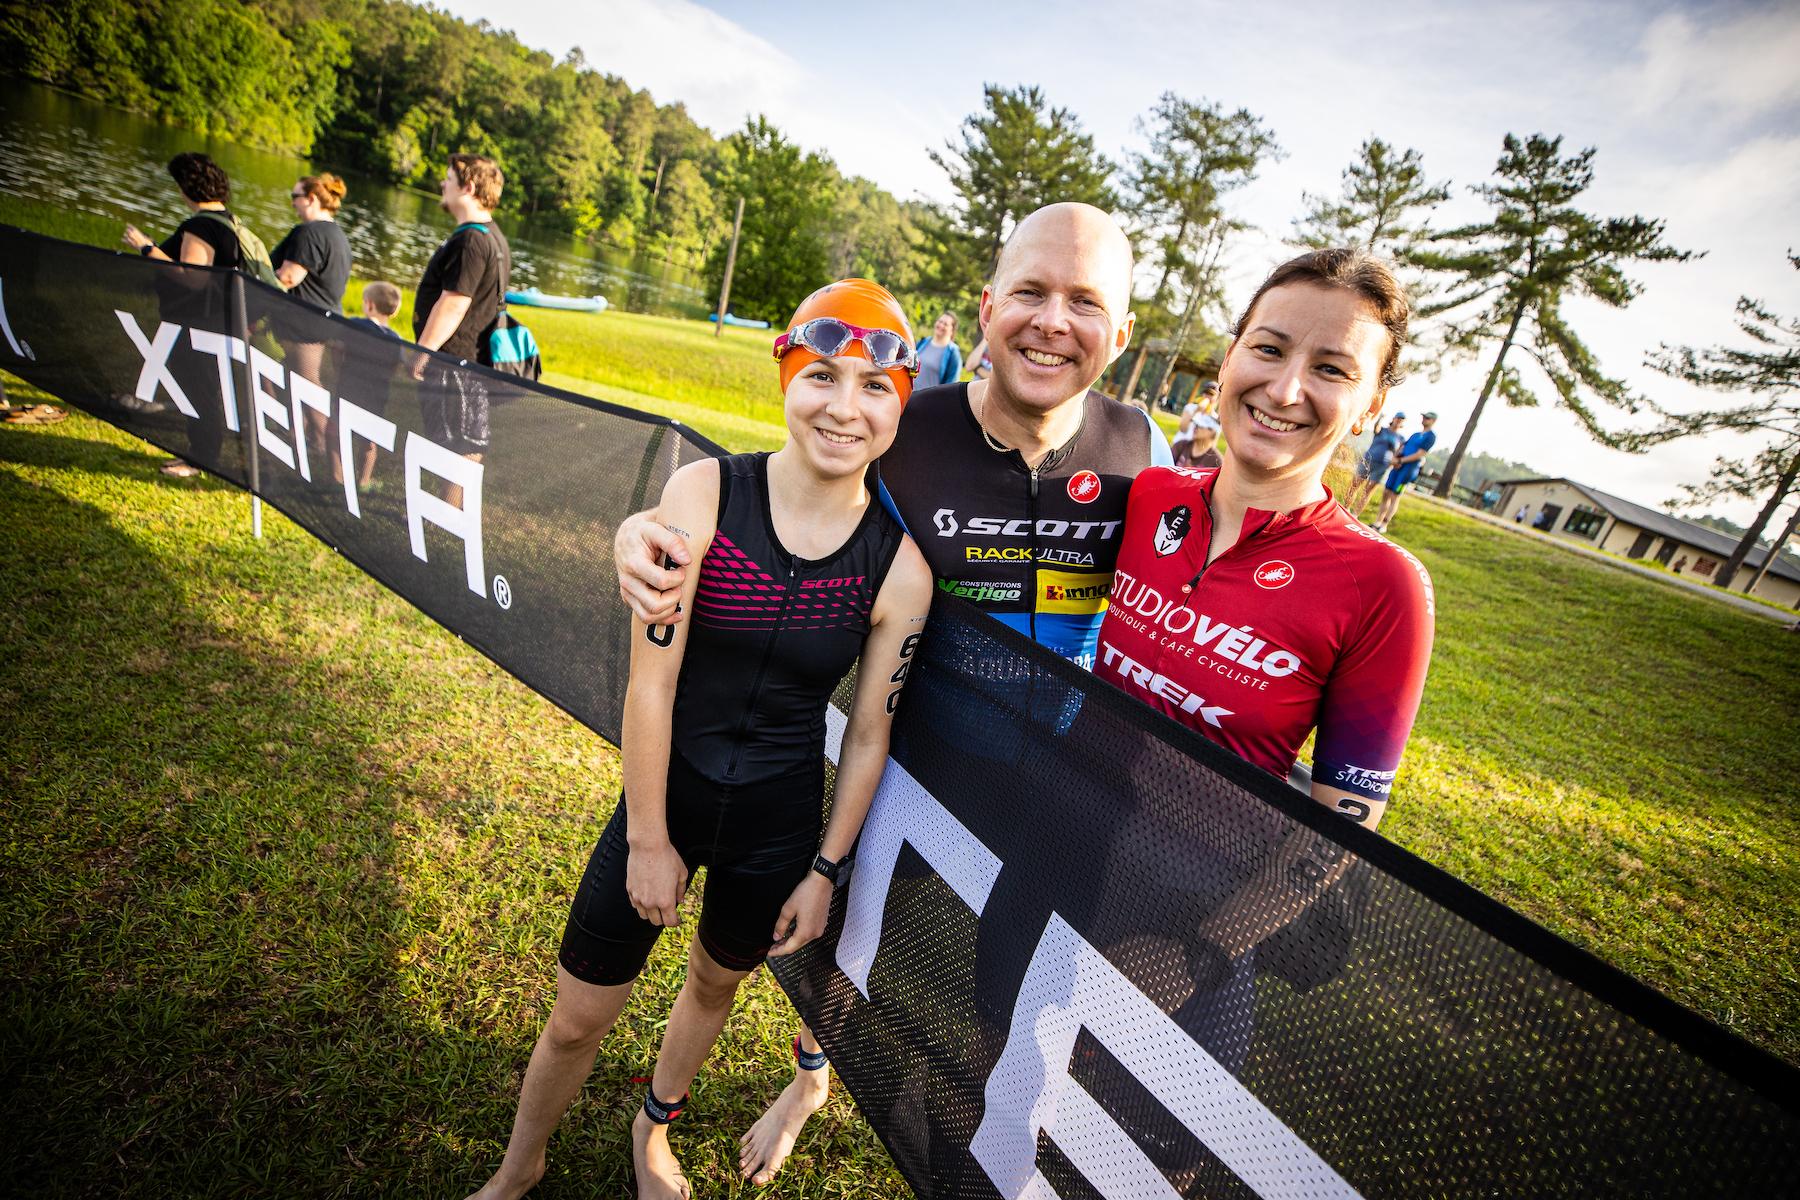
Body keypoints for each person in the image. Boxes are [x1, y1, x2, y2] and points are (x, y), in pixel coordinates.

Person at [611, 201, 1169, 1184]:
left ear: (1120, 333)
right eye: (1031, 292)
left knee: (1010, 984)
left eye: (1085, 302)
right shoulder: (907, 429)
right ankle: (810, 1079)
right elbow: (780, 494)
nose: (1052, 321)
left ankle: (977, 1139)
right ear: (988, 307)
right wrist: (639, 532)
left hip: (1056, 780)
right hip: (914, 755)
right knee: (841, 937)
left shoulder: (1145, 451)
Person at [468, 279, 934, 1200]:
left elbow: (868, 735)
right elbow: (652, 682)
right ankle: (521, 1164)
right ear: (785, 376)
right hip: (667, 798)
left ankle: (653, 1129)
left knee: (714, 989)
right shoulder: (707, 492)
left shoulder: (899, 566)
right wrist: (649, 838)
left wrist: (825, 870)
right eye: (823, 376)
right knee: (576, 1018)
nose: (844, 408)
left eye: (875, 387)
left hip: (776, 823)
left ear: (899, 404)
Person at [1094, 247, 1434, 1103]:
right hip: (1061, 851)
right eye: (1270, 349)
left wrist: (1198, 954)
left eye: (1331, 369)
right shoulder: (1148, 496)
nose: (1285, 390)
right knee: (976, 1083)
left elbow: (1344, 823)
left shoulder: (1382, 583)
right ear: (1231, 356)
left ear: (1370, 407)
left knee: (1146, 1156)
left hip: (1197, 921)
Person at [120, 152, 250, 478]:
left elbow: (193, 277)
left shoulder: (201, 226)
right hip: (218, 320)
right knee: (204, 389)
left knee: (199, 390)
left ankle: (201, 459)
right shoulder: (230, 222)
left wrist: (146, 247)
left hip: (198, 323)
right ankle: (202, 454)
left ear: (187, 188)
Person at [411, 153, 511, 511]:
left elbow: (454, 303)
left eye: (448, 179)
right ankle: (450, 518)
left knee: (457, 446)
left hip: (453, 364)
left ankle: (449, 519)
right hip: (467, 365)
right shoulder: (492, 237)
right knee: (461, 443)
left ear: (468, 187)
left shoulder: (471, 240)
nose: (442, 184)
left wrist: (423, 351)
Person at [272, 172, 353, 479]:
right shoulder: (337, 234)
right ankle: (304, 441)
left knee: (308, 385)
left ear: (311, 199)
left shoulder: (309, 233)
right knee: (301, 382)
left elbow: (289, 277)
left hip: (304, 325)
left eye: (295, 196)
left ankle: (333, 463)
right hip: (326, 320)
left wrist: (258, 283)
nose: (292, 202)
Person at [338, 282, 406, 490]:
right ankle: (364, 480)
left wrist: (340, 366)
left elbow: (338, 348)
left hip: (349, 385)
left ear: (369, 305)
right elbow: (396, 367)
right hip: (377, 393)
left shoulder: (354, 325)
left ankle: (338, 476)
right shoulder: (396, 339)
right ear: (394, 311)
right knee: (369, 439)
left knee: (339, 429)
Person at [1372, 410, 1437, 532]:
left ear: (1433, 421)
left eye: (1427, 418)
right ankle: (1377, 522)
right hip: (1397, 466)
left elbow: (1420, 454)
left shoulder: (1431, 436)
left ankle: (1384, 525)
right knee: (1386, 492)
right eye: (1424, 417)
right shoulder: (1415, 434)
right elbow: (1403, 446)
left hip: (1408, 470)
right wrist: (1395, 458)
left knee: (1395, 495)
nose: (1424, 419)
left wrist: (1401, 461)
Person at [1345, 411, 1406, 516]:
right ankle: (1346, 508)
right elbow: (1376, 428)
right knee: (1354, 485)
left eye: (1402, 420)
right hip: (1368, 460)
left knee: (1368, 491)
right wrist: (1380, 418)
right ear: (1394, 419)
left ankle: (1355, 514)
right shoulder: (1382, 430)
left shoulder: (1401, 439)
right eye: (1398, 418)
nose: (1399, 421)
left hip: (1382, 466)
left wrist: (1396, 461)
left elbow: (1398, 453)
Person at [915, 311, 963, 388]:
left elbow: (951, 385)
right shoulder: (923, 342)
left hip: (928, 395)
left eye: (945, 324)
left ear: (952, 330)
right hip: (909, 393)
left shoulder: (953, 353)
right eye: (940, 321)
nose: (941, 325)